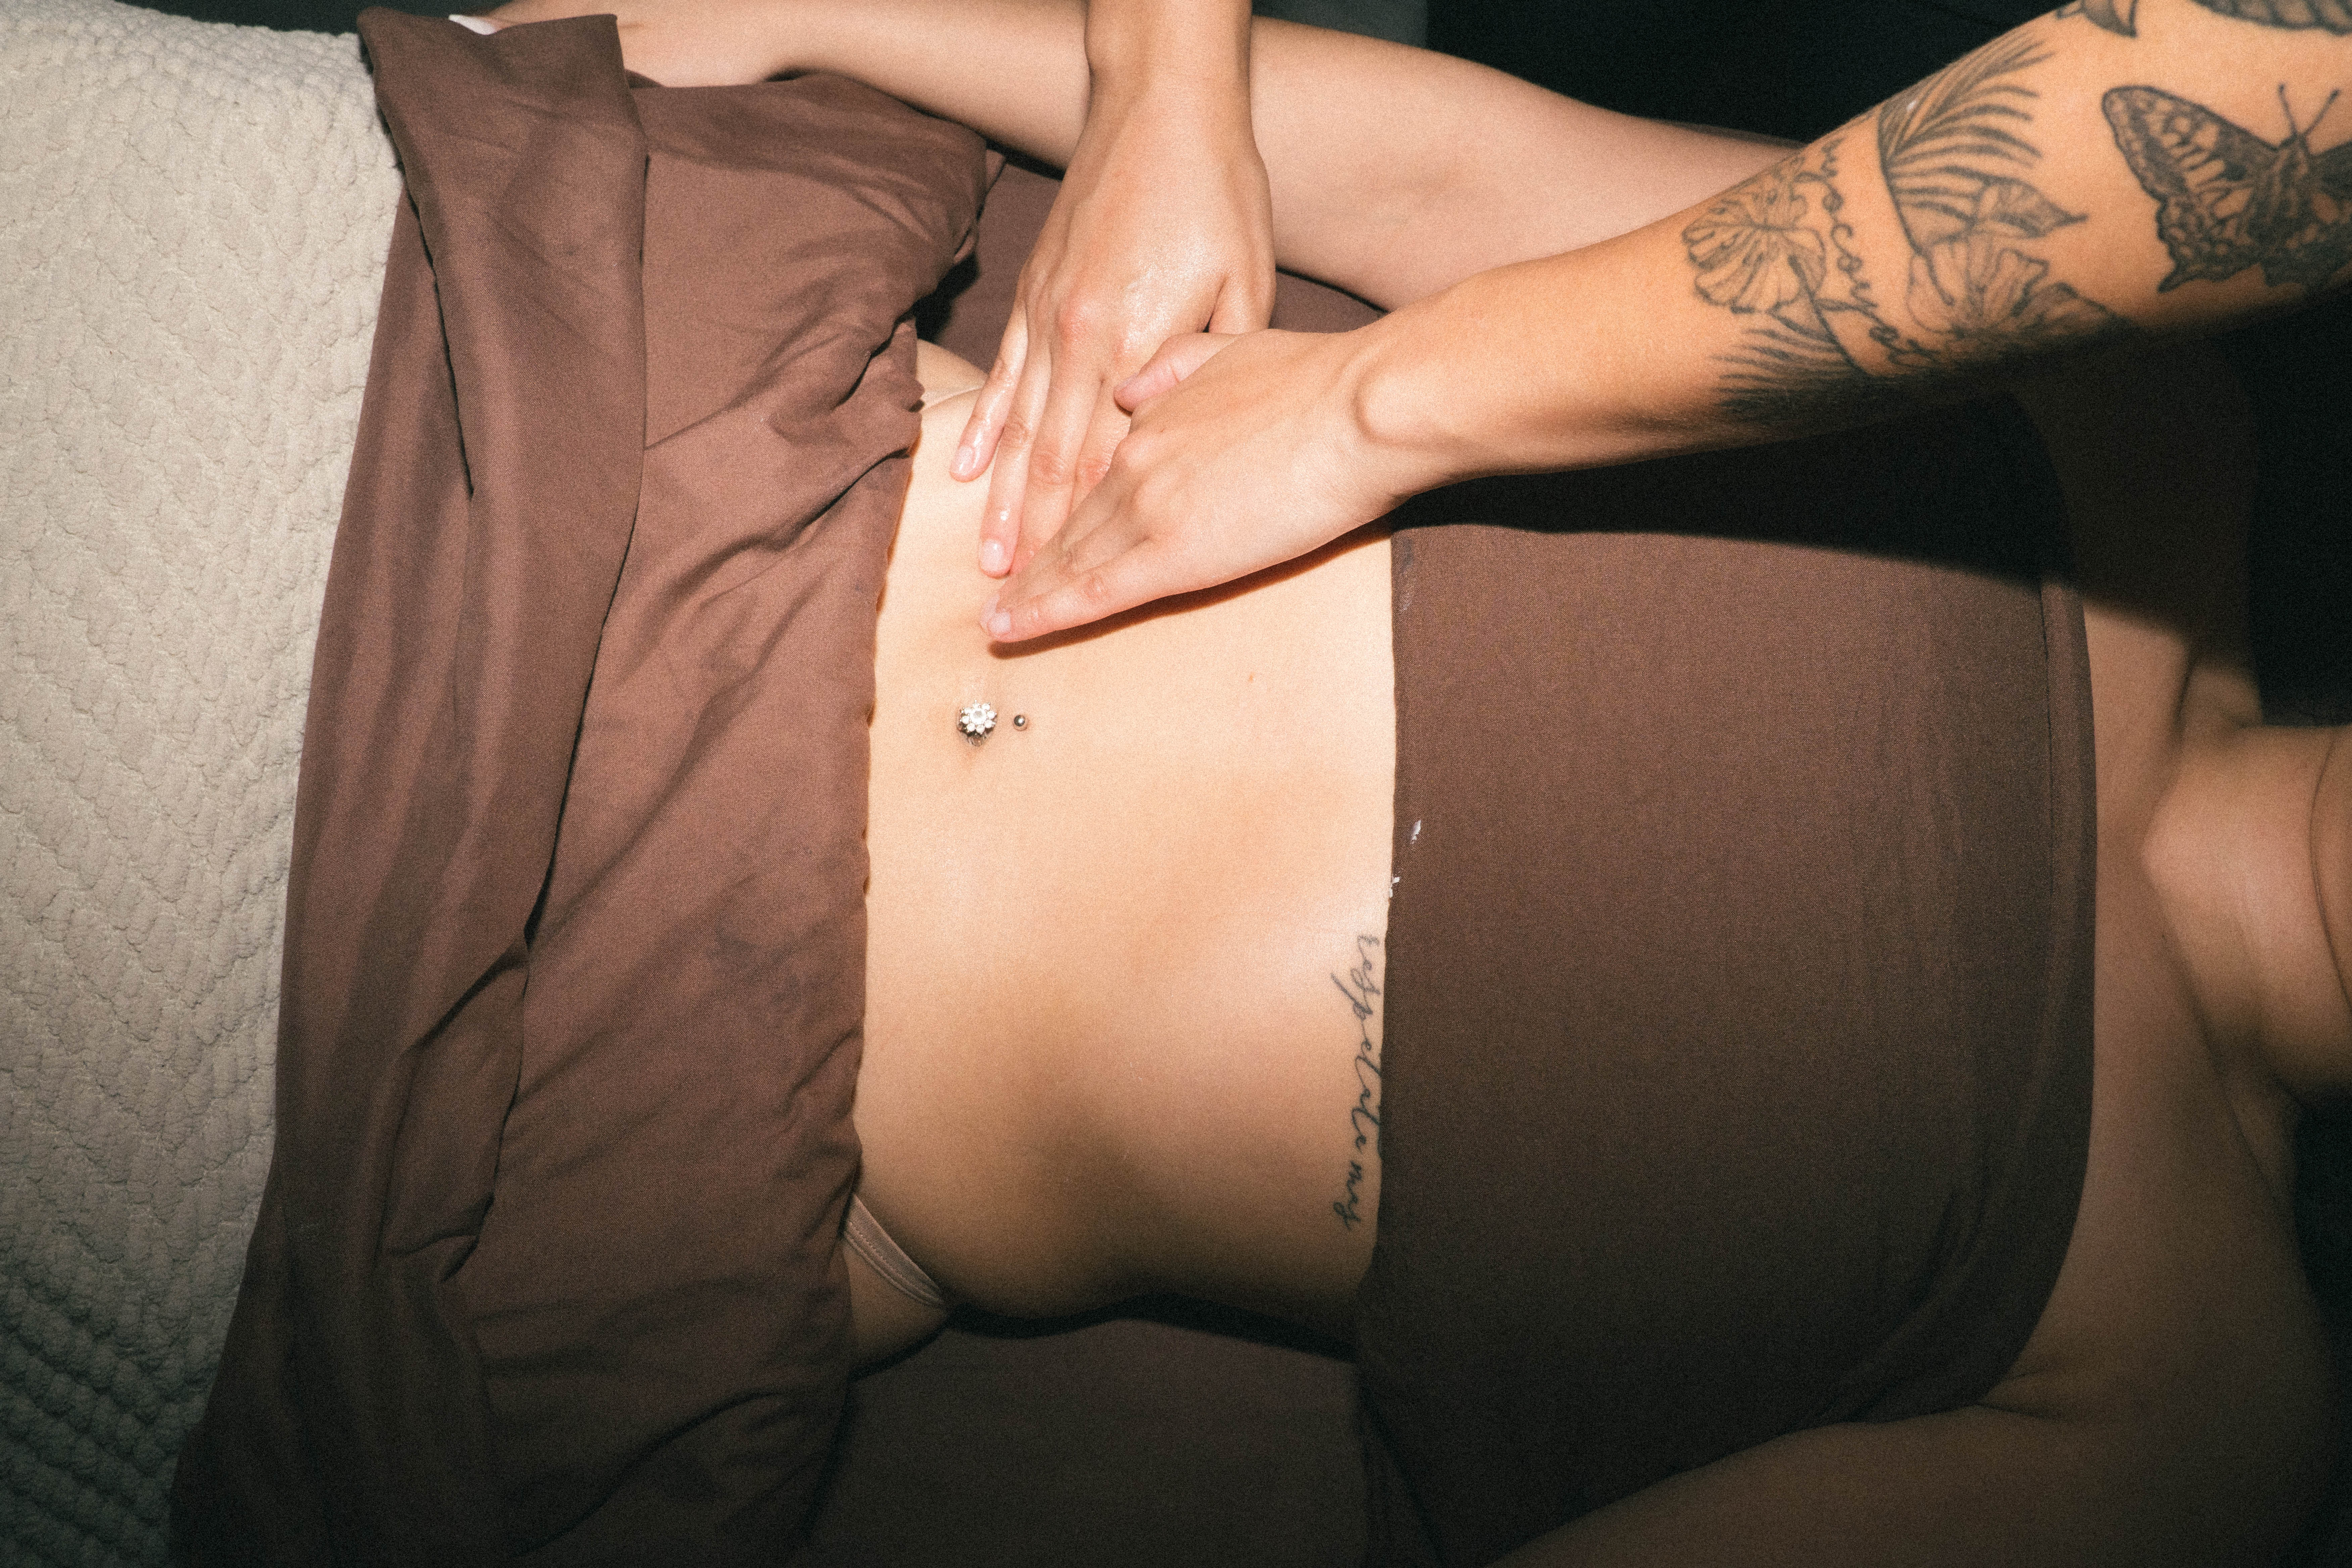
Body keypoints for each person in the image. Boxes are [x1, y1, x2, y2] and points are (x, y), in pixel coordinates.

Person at [463, 5, 2349, 1559]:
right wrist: (810, 14)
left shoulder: (2206, 1412)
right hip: (636, 392)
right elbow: (1448, 176)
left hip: (563, 1117)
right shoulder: (2154, 427)